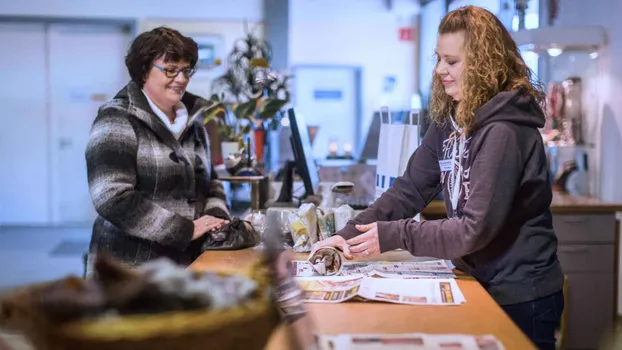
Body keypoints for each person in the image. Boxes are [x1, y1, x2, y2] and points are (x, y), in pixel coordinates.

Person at [316, 6, 564, 349]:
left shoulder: (504, 131)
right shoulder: (452, 119)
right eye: (438, 59)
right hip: (478, 280)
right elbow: (409, 191)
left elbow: (472, 229)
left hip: (519, 295)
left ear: (483, 64)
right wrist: (346, 236)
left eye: (451, 61)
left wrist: (392, 235)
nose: (439, 70)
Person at [85, 27, 230, 275]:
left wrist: (215, 222)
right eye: (170, 70)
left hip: (187, 263)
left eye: (186, 70)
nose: (182, 78)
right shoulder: (116, 119)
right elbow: (111, 196)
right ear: (143, 71)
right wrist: (185, 230)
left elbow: (212, 182)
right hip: (130, 269)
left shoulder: (193, 121)